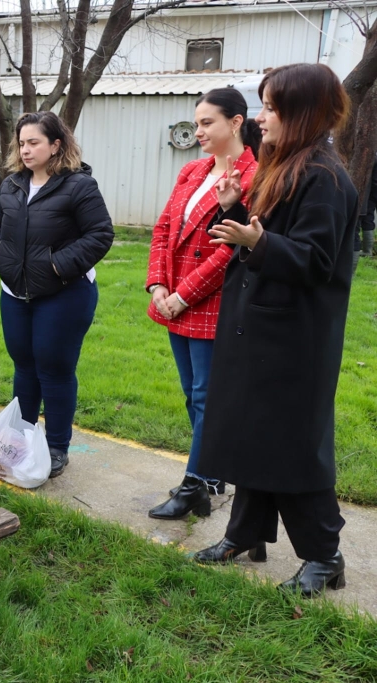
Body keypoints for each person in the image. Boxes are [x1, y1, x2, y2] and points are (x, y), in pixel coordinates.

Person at [193, 63, 358, 598]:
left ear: (303, 113)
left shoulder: (325, 177)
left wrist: (254, 242)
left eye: (271, 108)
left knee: (291, 445)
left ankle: (323, 555)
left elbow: (313, 259)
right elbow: (266, 234)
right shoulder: (286, 164)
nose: (261, 118)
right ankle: (246, 536)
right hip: (258, 327)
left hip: (295, 339)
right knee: (249, 433)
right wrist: (235, 209)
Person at [145, 88, 260, 520]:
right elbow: (162, 229)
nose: (199, 131)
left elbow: (230, 250)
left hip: (211, 302)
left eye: (207, 122)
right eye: (196, 123)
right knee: (193, 395)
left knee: (206, 396)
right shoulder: (192, 170)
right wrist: (158, 284)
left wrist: (182, 294)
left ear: (235, 122)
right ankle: (212, 473)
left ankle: (196, 485)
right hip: (174, 300)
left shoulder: (255, 175)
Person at [0, 111, 114, 479]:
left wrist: (56, 266)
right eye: (21, 143)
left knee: (54, 369)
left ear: (56, 145)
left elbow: (100, 235)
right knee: (24, 366)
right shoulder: (11, 185)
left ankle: (57, 447)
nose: (25, 150)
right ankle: (23, 441)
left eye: (34, 143)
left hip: (64, 294)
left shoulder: (79, 186)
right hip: (14, 293)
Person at [352, 155, 376, 274]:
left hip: (358, 195)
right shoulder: (373, 155)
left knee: (353, 230)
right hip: (367, 195)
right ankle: (367, 251)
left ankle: (351, 270)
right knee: (367, 219)